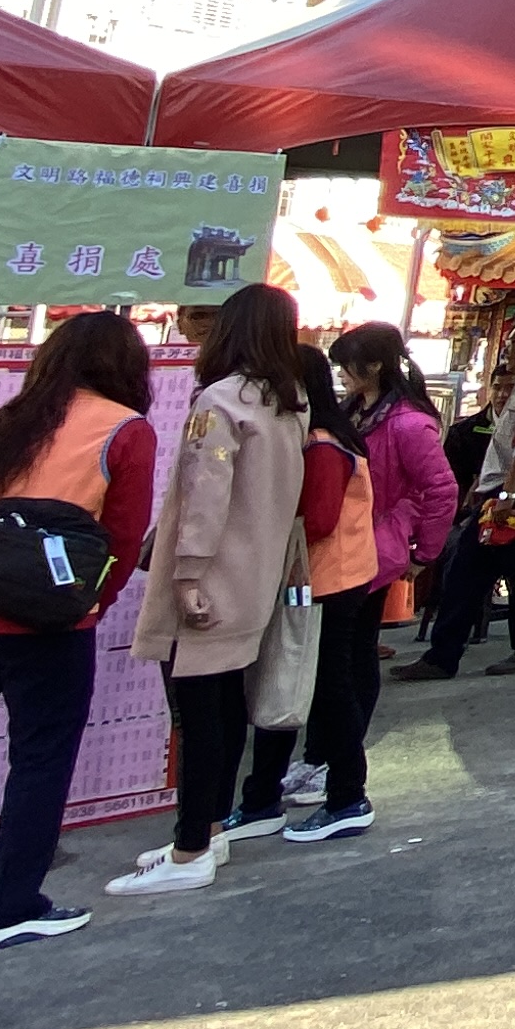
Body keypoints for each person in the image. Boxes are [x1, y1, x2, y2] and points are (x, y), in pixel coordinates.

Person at [0, 309, 158, 944]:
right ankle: (13, 905)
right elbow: (121, 539)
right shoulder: (125, 429)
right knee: (40, 758)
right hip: (42, 616)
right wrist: (88, 604)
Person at [114, 282, 307, 898]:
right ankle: (211, 827)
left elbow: (205, 493)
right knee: (224, 710)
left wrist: (189, 572)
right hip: (257, 577)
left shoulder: (223, 401)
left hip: (213, 579)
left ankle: (192, 842)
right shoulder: (290, 404)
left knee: (200, 715)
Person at [308, 323, 460, 835]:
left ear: (372, 366)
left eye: (347, 365)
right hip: (358, 545)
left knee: (347, 659)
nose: (341, 374)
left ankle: (338, 763)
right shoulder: (360, 411)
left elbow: (441, 490)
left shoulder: (407, 422)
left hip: (375, 548)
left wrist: (425, 553)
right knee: (347, 657)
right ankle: (328, 757)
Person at [221, 348, 375, 844]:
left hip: (324, 582)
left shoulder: (323, 445)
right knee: (290, 682)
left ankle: (347, 797)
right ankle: (262, 798)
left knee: (325, 689)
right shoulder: (320, 437)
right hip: (321, 579)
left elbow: (320, 520)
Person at [403, 317, 515, 681]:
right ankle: (444, 653)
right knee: (469, 567)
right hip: (503, 489)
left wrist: (508, 493)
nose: (508, 351)